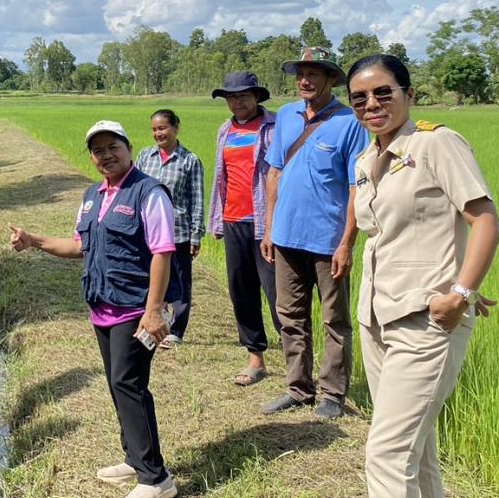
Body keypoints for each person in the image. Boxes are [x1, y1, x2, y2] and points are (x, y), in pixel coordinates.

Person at [347, 54, 499, 498]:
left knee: (387, 456)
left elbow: (484, 222)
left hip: (427, 322)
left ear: (409, 95)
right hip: (378, 316)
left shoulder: (436, 144)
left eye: (383, 92)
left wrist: (461, 291)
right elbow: (396, 235)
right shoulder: (370, 158)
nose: (372, 104)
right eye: (360, 98)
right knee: (418, 451)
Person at [9, 120, 182, 498]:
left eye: (112, 147)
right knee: (118, 384)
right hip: (102, 307)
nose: (106, 155)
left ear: (128, 147)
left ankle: (156, 478)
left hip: (135, 308)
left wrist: (153, 310)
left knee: (129, 384)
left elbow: (162, 252)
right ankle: (134, 456)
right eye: (98, 150)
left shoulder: (148, 193)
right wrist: (34, 240)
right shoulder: (92, 195)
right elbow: (78, 247)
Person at [259, 46, 370, 420]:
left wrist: (347, 243)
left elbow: (357, 186)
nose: (305, 80)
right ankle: (298, 388)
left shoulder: (349, 123)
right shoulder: (287, 116)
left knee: (334, 319)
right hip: (286, 236)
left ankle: (333, 394)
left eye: (314, 74)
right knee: (290, 315)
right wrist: (269, 227)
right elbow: (273, 173)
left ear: (330, 79)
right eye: (300, 74)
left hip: (327, 241)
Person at [207, 71, 280, 386]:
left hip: (267, 222)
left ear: (257, 97)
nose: (238, 102)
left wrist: (275, 224)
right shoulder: (226, 130)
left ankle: (297, 362)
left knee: (279, 293)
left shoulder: (276, 127)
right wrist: (217, 218)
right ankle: (255, 359)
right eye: (231, 97)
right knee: (242, 291)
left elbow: (282, 176)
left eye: (243, 96)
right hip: (234, 219)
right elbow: (220, 178)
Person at [134, 109, 204, 349]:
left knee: (181, 283)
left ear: (176, 127)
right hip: (150, 232)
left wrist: (196, 234)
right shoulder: (145, 156)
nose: (158, 133)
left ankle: (176, 331)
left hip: (179, 232)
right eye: (154, 129)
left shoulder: (189, 160)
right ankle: (153, 322)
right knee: (153, 278)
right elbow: (136, 192)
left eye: (162, 128)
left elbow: (197, 200)